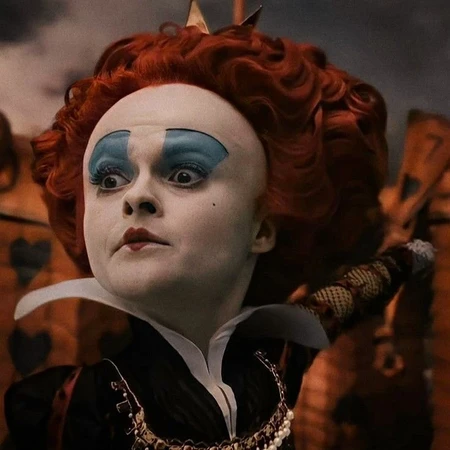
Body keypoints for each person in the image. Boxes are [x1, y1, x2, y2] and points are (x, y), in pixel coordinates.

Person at [4, 6, 433, 450]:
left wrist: (416, 253)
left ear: (262, 228)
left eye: (184, 173)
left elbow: (360, 290)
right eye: (110, 179)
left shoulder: (282, 355)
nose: (136, 196)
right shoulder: (65, 410)